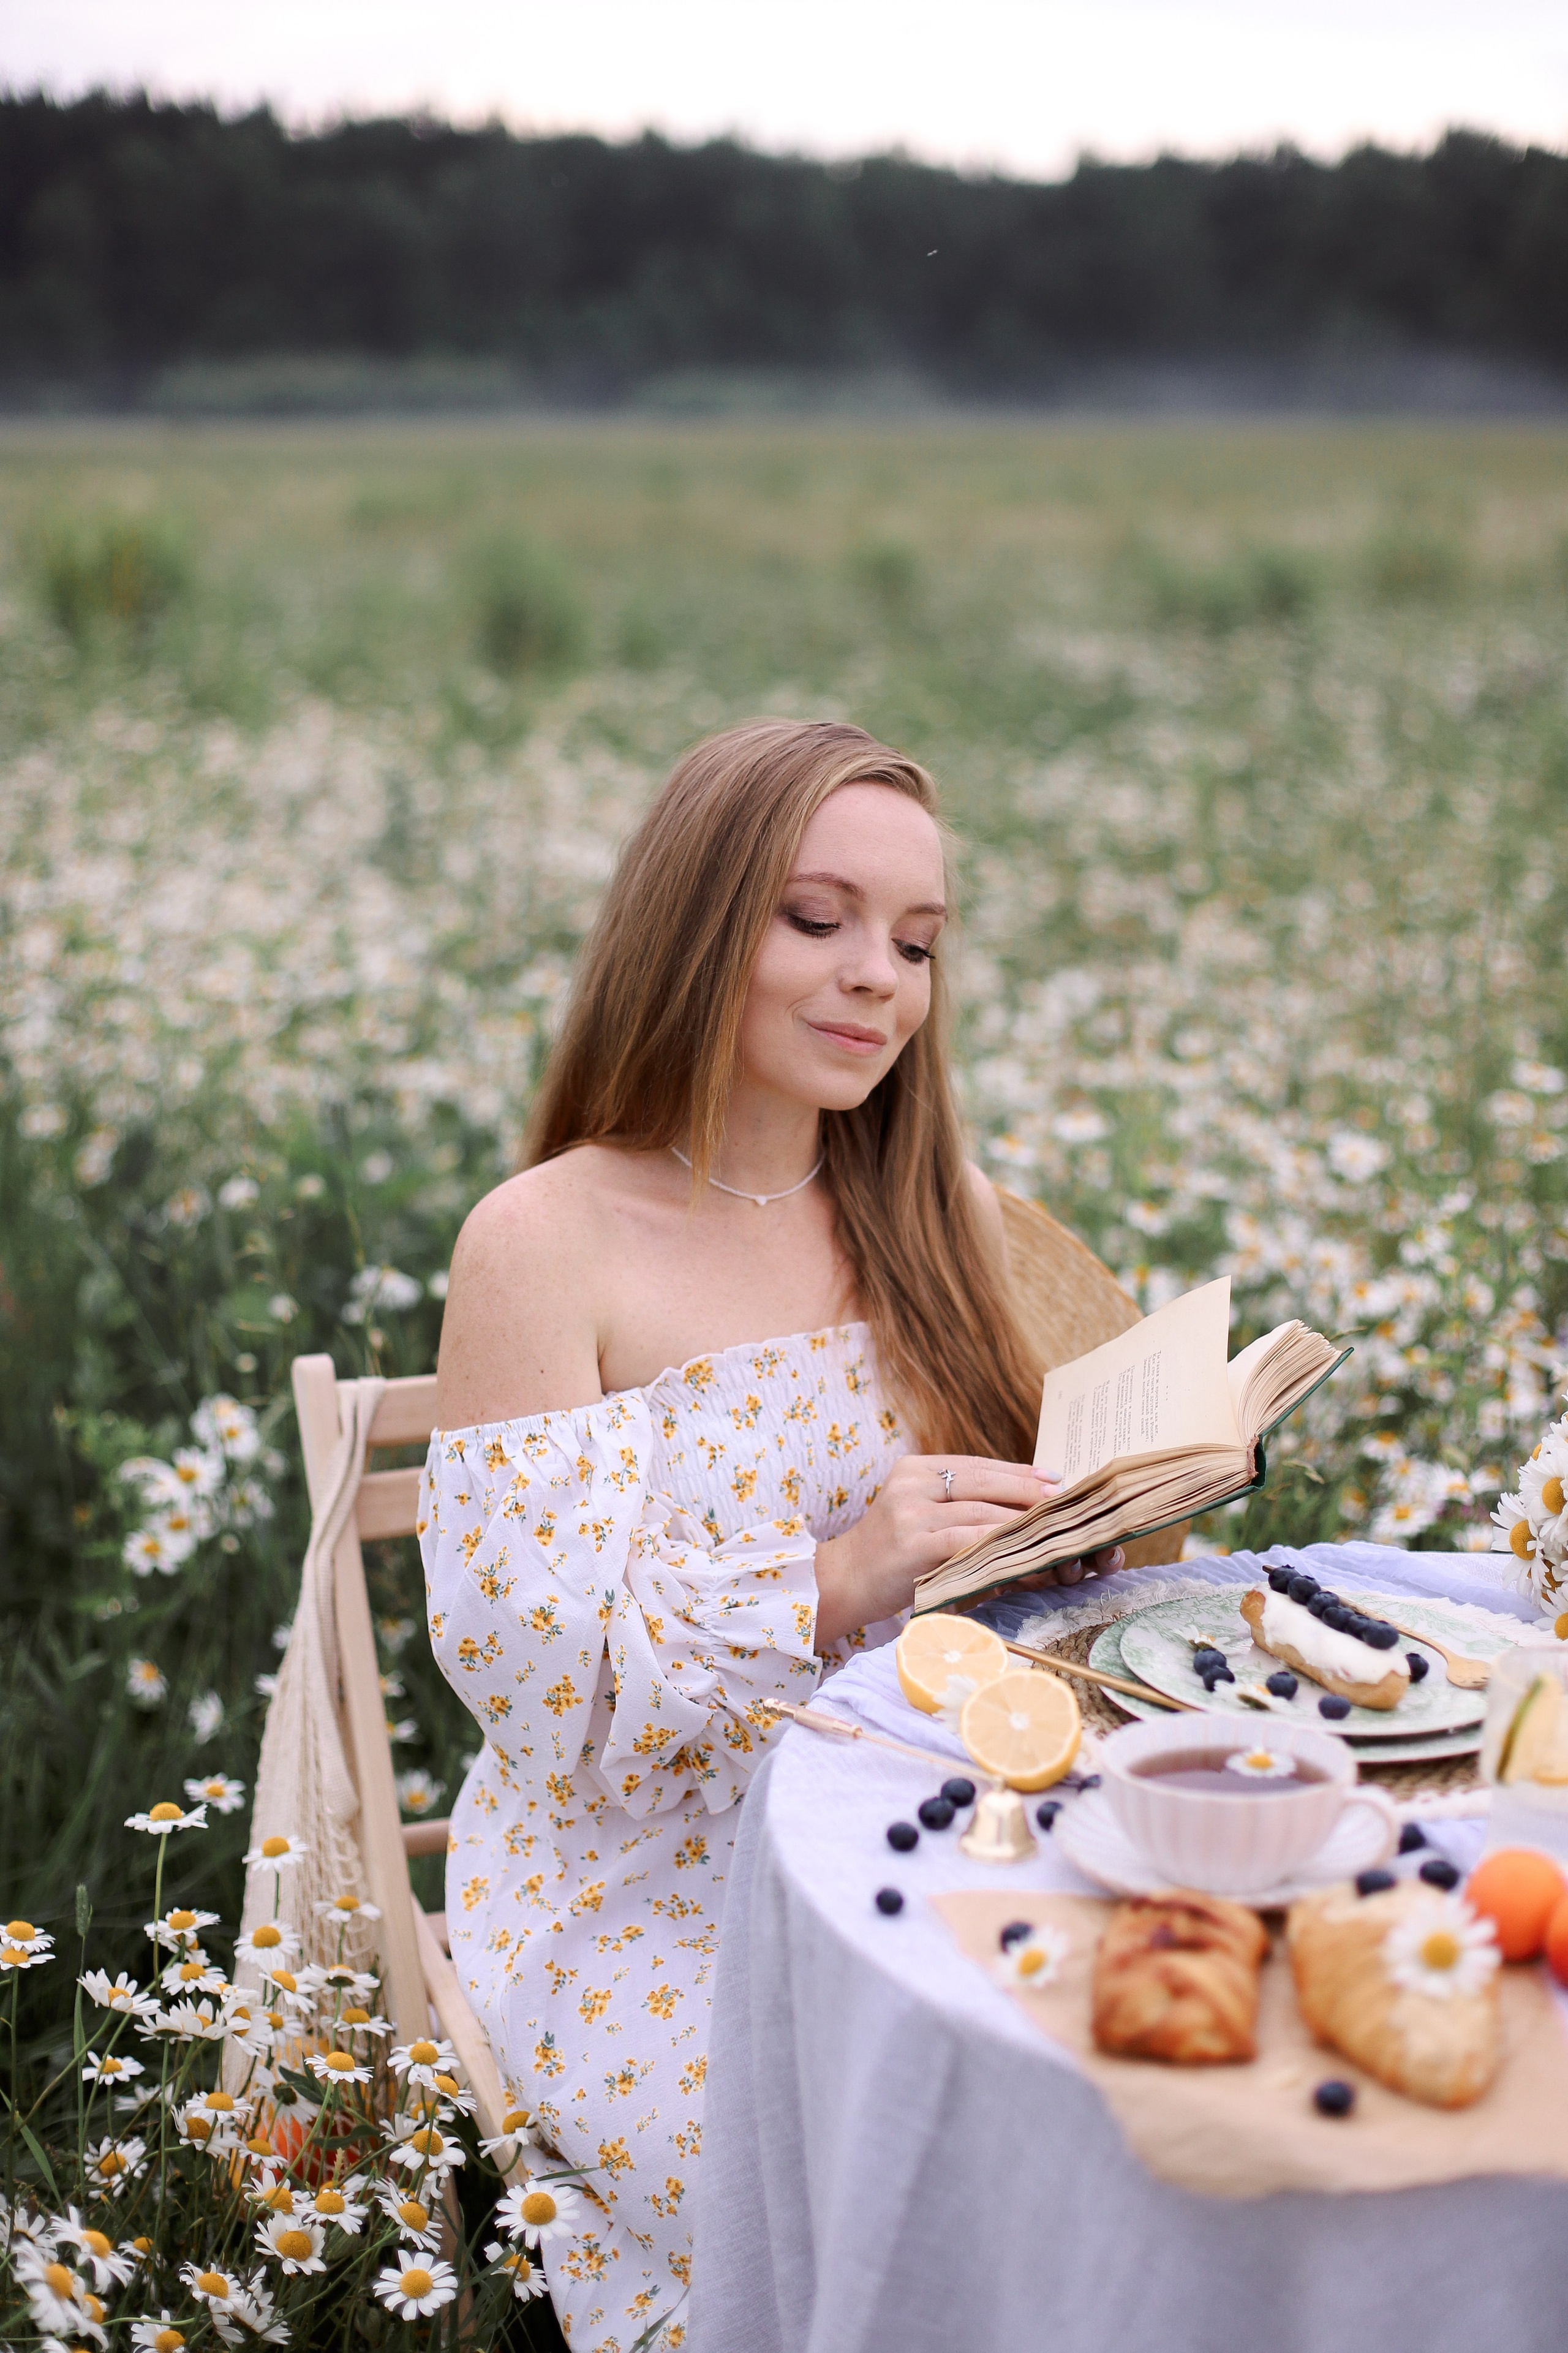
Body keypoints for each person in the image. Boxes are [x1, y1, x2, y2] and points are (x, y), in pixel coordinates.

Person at [418, 719, 1123, 2349]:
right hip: (645, 1883)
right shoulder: (546, 1240)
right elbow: (539, 1690)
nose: (880, 975)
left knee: (1109, 2097)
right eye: (819, 919)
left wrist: (1072, 1523)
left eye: (918, 942)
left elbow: (988, 1571)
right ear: (695, 924)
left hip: (924, 1802)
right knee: (884, 2177)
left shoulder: (935, 1207)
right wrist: (838, 1575)